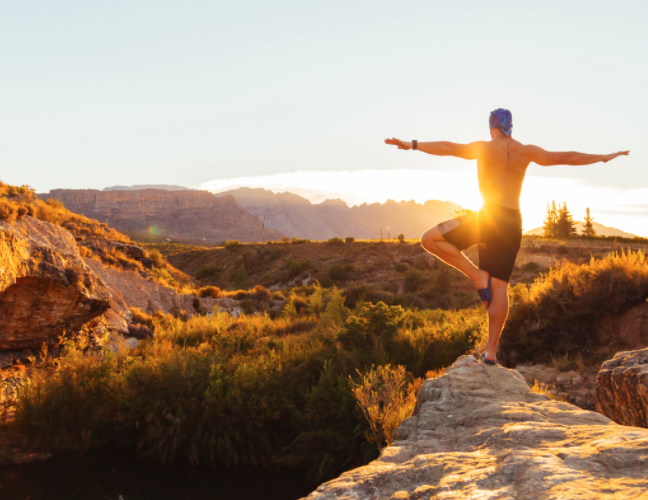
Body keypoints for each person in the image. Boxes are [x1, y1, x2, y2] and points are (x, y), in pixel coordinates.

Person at [385, 109, 629, 365]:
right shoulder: (527, 151)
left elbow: (448, 147)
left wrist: (411, 144)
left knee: (429, 239)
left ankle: (476, 275)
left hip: (487, 217)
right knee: (500, 287)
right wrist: (603, 157)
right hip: (513, 222)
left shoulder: (484, 147)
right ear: (511, 127)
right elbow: (567, 157)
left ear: (492, 127)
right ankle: (491, 352)